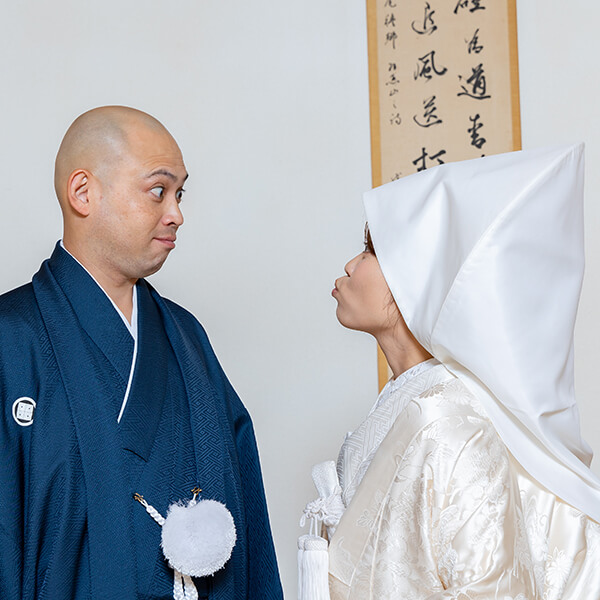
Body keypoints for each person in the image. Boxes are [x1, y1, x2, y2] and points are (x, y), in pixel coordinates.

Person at [0, 106, 283, 600]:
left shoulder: (186, 337)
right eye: (158, 190)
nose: (176, 214)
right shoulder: (12, 337)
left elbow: (246, 511)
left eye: (179, 194)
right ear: (83, 192)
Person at [299, 144, 600, 599]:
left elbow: (490, 588)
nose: (350, 265)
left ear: (416, 281)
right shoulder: (411, 402)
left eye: (370, 251)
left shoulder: (450, 420)